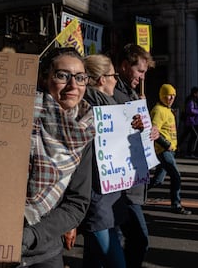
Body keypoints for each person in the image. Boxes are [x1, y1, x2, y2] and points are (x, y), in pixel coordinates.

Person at [18, 47, 95, 267]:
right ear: (44, 78)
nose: (73, 86)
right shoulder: (15, 115)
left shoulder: (85, 132)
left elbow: (77, 203)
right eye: (62, 75)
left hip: (43, 251)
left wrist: (34, 235)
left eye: (80, 78)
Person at [81, 53, 142, 268]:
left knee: (94, 258)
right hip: (96, 196)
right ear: (101, 79)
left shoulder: (113, 105)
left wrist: (142, 130)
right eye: (113, 75)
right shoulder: (86, 109)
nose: (117, 80)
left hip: (110, 195)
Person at [112, 43, 159, 268]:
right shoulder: (113, 93)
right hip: (120, 186)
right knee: (137, 240)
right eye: (139, 71)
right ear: (123, 66)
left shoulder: (131, 94)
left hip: (129, 184)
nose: (141, 78)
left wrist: (150, 131)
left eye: (144, 73)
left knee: (115, 242)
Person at [148, 84, 192, 215]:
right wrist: (166, 144)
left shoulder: (167, 110)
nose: (171, 97)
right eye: (168, 94)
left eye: (173, 95)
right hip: (163, 150)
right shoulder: (158, 110)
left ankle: (134, 193)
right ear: (162, 95)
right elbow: (154, 131)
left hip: (169, 150)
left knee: (157, 180)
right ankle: (176, 204)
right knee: (176, 176)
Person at [179, 86, 198, 158]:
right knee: (195, 136)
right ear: (195, 94)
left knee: (190, 136)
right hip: (191, 122)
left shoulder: (195, 100)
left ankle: (189, 152)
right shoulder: (191, 100)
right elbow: (190, 110)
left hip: (194, 122)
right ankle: (190, 152)